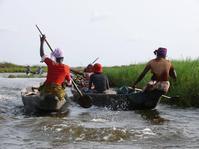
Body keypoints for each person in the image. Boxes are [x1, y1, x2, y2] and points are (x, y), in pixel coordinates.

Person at [39, 35, 71, 101]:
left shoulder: (51, 63)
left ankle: (42, 97)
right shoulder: (67, 68)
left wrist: (42, 42)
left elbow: (42, 54)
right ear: (63, 58)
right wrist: (67, 82)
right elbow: (69, 82)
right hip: (57, 91)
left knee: (41, 89)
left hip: (46, 88)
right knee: (66, 99)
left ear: (55, 58)